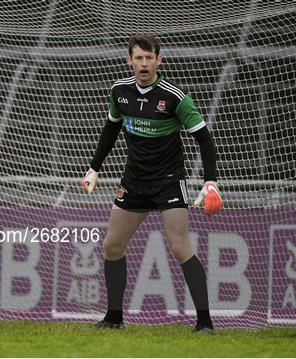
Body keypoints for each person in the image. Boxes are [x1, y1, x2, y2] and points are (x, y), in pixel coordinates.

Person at [82, 34, 223, 333]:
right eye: (138, 58)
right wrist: (94, 168)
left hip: (169, 182)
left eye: (149, 58)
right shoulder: (119, 92)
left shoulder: (175, 97)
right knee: (112, 245)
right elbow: (111, 128)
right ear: (129, 60)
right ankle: (114, 318)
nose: (144, 63)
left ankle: (205, 323)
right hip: (134, 181)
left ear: (159, 60)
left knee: (180, 248)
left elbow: (205, 139)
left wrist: (210, 182)